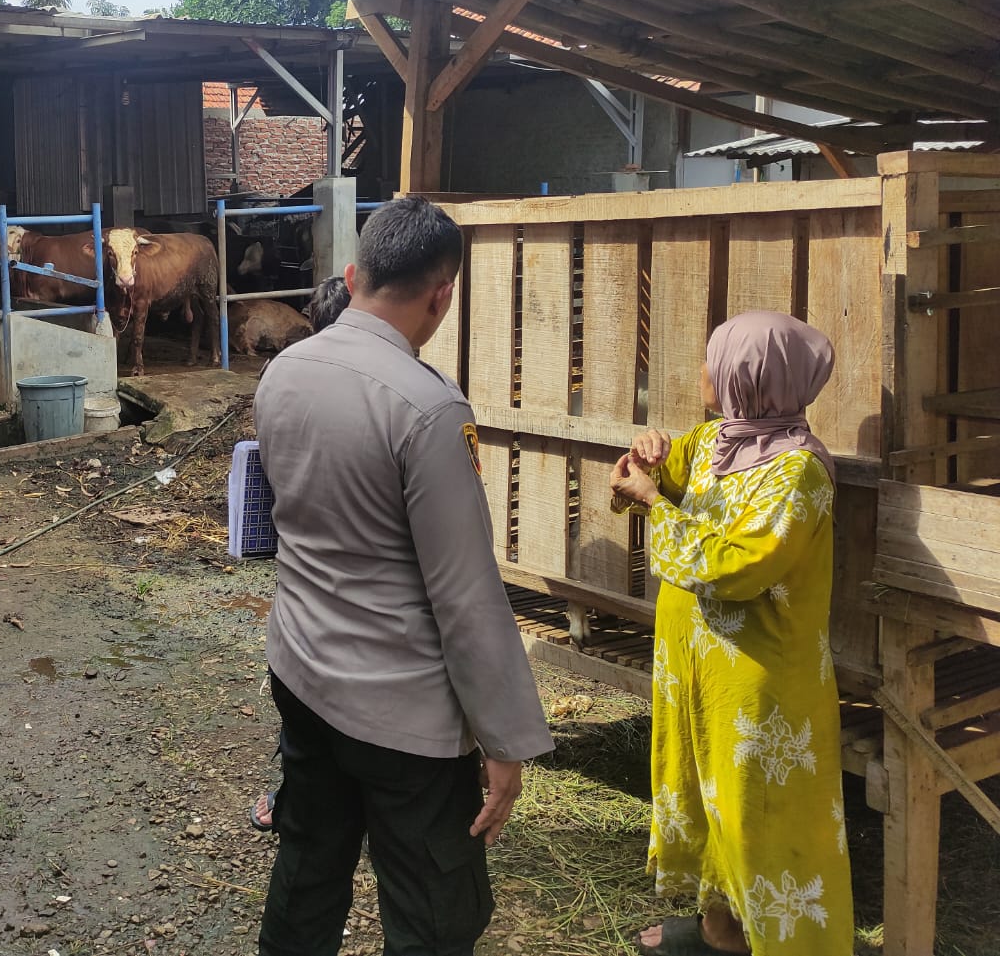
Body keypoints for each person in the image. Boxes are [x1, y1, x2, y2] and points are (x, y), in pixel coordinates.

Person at [253, 197, 553, 955]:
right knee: (430, 908)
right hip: (403, 714)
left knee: (308, 865)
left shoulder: (284, 370)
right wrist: (506, 739)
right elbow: (466, 594)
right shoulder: (427, 408)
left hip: (301, 665)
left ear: (354, 276)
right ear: (441, 294)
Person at [611, 311, 852, 956]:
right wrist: (646, 459)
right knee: (712, 799)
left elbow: (736, 567)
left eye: (715, 361)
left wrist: (654, 504)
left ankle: (788, 944)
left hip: (759, 681)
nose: (702, 374)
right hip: (700, 667)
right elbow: (647, 474)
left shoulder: (796, 472)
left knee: (759, 820)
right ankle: (721, 934)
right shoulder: (719, 440)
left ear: (753, 377)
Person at [251, 271, 353, 833]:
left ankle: (297, 794)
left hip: (302, 554)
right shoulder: (386, 381)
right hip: (358, 558)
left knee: (306, 681)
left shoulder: (283, 374)